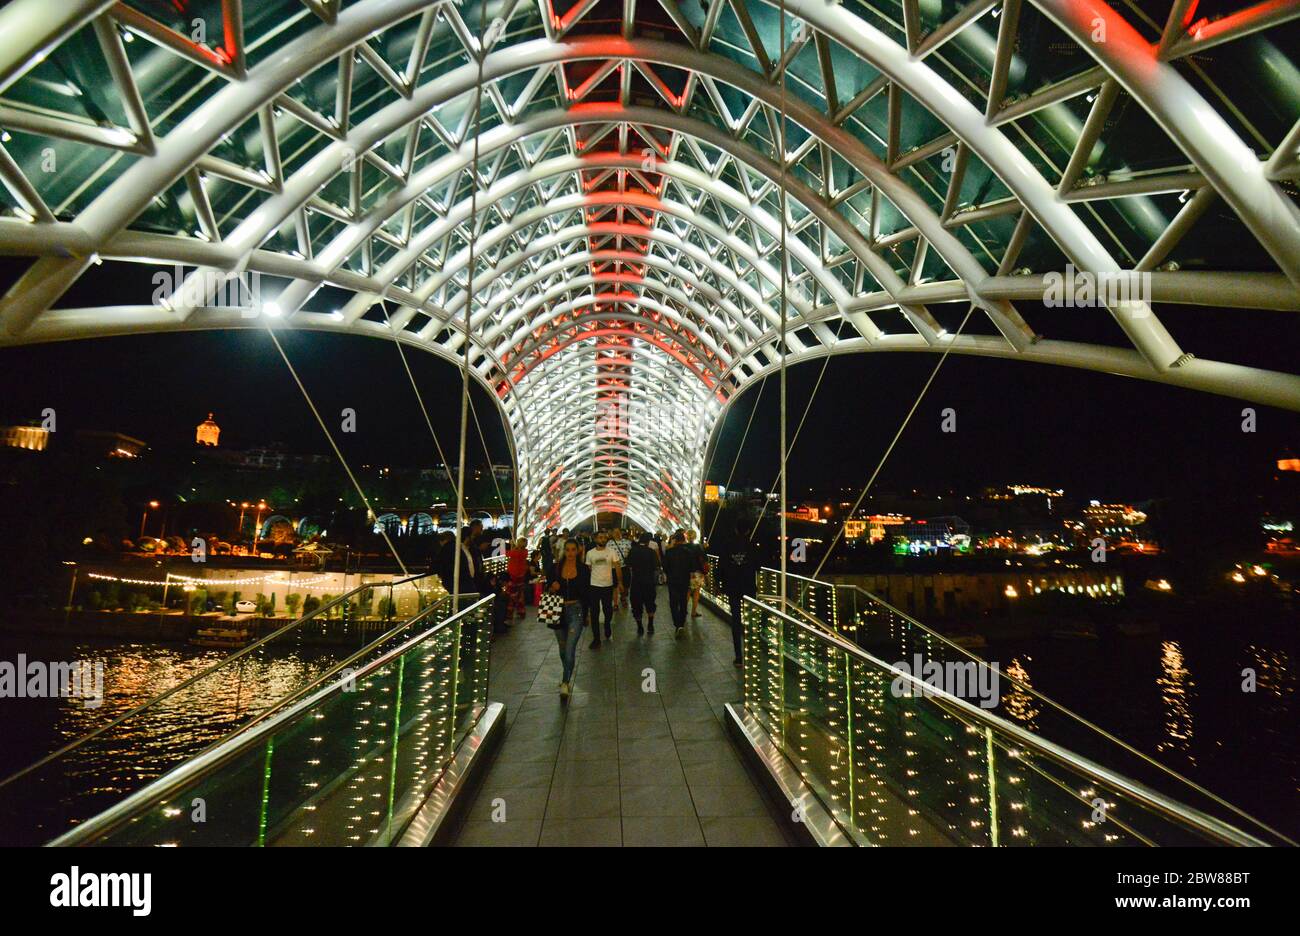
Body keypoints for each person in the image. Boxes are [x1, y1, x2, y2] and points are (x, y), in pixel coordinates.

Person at [547, 539, 589, 698]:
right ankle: (567, 672)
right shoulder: (555, 568)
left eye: (573, 550)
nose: (571, 553)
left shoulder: (584, 569)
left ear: (578, 551)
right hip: (557, 610)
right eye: (568, 550)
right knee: (563, 649)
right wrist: (552, 587)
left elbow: (587, 593)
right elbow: (548, 587)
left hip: (576, 610)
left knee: (570, 649)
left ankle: (565, 681)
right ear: (564, 550)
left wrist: (587, 614)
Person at [719, 518, 759, 667]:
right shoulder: (752, 545)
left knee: (736, 620)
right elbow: (758, 566)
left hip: (732, 587)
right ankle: (751, 652)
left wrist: (720, 584)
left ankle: (738, 656)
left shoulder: (727, 545)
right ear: (748, 530)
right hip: (748, 587)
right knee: (751, 620)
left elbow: (721, 566)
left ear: (736, 530)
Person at [584, 530, 621, 647]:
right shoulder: (590, 553)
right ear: (595, 539)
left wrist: (620, 582)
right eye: (600, 538)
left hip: (607, 586)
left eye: (604, 538)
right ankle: (596, 638)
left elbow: (617, 566)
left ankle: (607, 625)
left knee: (608, 610)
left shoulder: (612, 552)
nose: (602, 539)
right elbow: (588, 568)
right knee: (594, 612)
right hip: (594, 586)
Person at [625, 531, 661, 635]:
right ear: (648, 541)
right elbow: (656, 565)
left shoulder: (633, 551)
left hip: (636, 582)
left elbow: (628, 564)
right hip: (649, 581)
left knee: (636, 605)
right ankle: (650, 624)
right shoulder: (651, 552)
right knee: (650, 603)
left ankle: (640, 626)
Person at [662, 531, 695, 637]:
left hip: (673, 580)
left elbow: (665, 567)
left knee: (673, 602)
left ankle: (677, 623)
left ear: (675, 540)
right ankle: (681, 624)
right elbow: (691, 567)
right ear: (683, 540)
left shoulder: (669, 552)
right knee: (683, 601)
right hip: (684, 580)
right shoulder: (689, 552)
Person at [684, 529, 707, 618]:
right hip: (697, 572)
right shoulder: (698, 547)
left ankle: (684, 610)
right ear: (695, 537)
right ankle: (693, 612)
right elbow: (703, 559)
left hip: (687, 572)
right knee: (696, 592)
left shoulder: (684, 547)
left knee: (687, 592)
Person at [506, 537, 529, 620]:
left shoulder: (516, 552)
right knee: (520, 594)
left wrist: (512, 546)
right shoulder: (525, 552)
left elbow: (507, 554)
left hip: (513, 576)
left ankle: (510, 612)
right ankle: (521, 611)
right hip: (521, 576)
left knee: (511, 595)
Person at [609, 527, 632, 608]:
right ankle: (615, 603)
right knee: (614, 586)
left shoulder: (627, 542)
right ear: (612, 534)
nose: (617, 533)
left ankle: (623, 598)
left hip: (624, 567)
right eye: (615, 532)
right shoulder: (609, 543)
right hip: (613, 568)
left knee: (626, 585)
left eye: (618, 532)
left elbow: (631, 553)